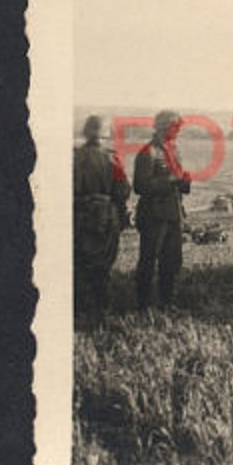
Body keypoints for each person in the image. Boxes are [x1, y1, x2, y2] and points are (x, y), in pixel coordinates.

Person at [73, 115, 131, 317]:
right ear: (105, 134)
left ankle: (80, 309)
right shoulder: (112, 158)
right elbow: (123, 191)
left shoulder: (74, 157)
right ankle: (101, 309)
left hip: (80, 216)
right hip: (107, 217)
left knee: (79, 263)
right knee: (103, 266)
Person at [134, 110, 191, 310]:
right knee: (148, 262)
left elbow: (178, 178)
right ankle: (143, 305)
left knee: (172, 261)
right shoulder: (147, 152)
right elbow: (140, 186)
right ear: (163, 127)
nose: (178, 131)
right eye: (176, 127)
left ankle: (167, 302)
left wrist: (184, 182)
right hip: (153, 215)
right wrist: (170, 180)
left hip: (173, 212)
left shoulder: (174, 151)